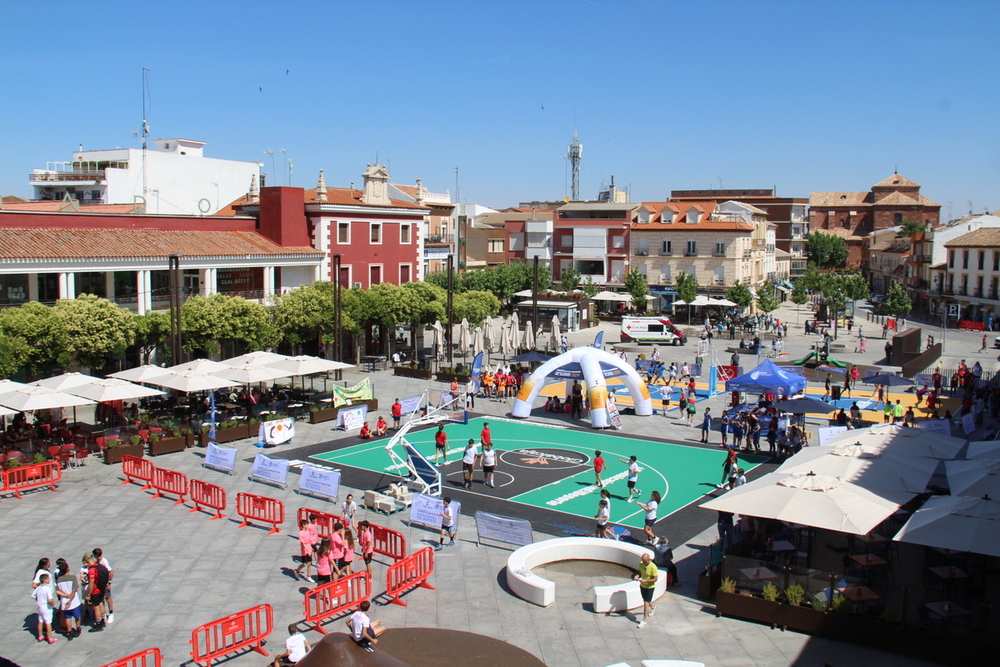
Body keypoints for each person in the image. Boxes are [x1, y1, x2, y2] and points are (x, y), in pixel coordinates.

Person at [55, 559, 82, 639]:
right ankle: (78, 629)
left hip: (64, 602)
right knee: (77, 616)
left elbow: (57, 591)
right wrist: (70, 598)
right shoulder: (73, 577)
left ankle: (69, 632)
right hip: (74, 602)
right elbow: (74, 590)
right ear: (68, 569)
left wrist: (65, 595)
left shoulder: (59, 580)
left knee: (67, 617)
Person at [82, 553, 109, 631]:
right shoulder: (98, 565)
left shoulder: (92, 570)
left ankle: (98, 624)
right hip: (101, 589)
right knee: (101, 604)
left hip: (95, 591)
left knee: (95, 607)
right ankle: (103, 620)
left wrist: (89, 594)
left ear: (87, 559)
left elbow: (91, 583)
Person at [32, 573, 57, 644]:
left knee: (40, 621)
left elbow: (33, 596)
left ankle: (40, 636)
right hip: (46, 608)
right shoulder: (47, 589)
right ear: (45, 580)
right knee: (48, 622)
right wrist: (52, 604)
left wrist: (39, 600)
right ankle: (50, 637)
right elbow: (50, 599)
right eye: (48, 579)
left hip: (40, 607)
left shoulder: (38, 588)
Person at [635, 553, 659, 628]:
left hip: (650, 587)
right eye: (643, 561)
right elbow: (639, 572)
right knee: (646, 600)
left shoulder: (653, 567)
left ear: (648, 559)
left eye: (645, 561)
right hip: (642, 586)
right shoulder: (641, 564)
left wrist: (646, 581)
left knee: (645, 602)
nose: (644, 563)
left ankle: (644, 620)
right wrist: (637, 576)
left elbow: (655, 579)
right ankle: (653, 607)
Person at [92, 547, 115, 624]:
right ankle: (103, 614)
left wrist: (109, 582)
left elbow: (111, 572)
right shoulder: (98, 562)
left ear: (95, 555)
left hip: (105, 583)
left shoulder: (104, 562)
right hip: (100, 583)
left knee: (108, 598)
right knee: (102, 599)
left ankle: (111, 613)